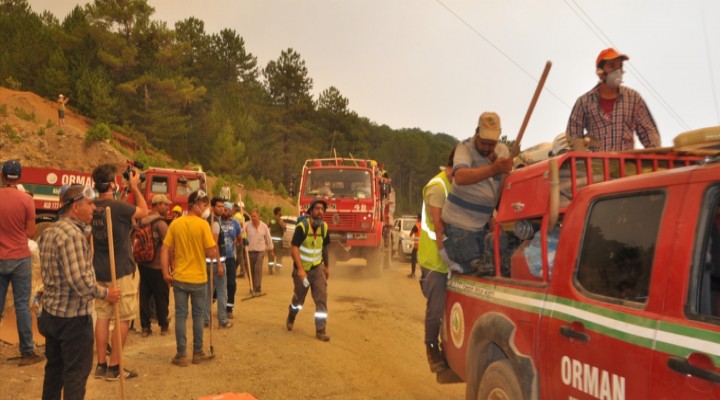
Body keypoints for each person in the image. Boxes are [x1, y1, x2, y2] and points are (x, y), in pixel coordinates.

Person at [38, 184, 121, 399]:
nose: (94, 208)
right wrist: (106, 294)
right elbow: (81, 283)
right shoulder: (72, 236)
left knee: (54, 372)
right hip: (72, 320)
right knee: (75, 375)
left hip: (52, 315)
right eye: (90, 203)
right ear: (76, 206)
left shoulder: (50, 232)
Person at [91, 163, 148, 381]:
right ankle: (115, 367)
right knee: (123, 318)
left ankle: (101, 365)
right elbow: (143, 211)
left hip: (100, 269)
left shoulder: (93, 206)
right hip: (121, 269)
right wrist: (135, 188)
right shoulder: (118, 207)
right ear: (113, 183)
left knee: (103, 317)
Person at [442, 112, 513, 275]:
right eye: (483, 143)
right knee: (471, 271)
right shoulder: (464, 148)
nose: (487, 148)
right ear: (476, 133)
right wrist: (493, 169)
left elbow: (503, 188)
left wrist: (494, 216)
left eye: (491, 144)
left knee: (494, 269)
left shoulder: (503, 152)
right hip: (460, 226)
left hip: (483, 225)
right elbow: (459, 177)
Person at [161, 190, 217, 367]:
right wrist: (213, 245)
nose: (205, 207)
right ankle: (197, 352)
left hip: (180, 278)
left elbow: (165, 249)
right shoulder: (203, 226)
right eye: (203, 204)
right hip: (199, 278)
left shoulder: (176, 224)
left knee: (181, 316)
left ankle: (181, 355)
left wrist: (165, 272)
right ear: (194, 204)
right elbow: (210, 252)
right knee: (198, 316)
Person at [566, 48, 661, 152]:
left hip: (626, 164)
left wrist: (655, 156)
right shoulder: (584, 102)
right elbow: (572, 138)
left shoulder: (633, 99)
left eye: (620, 66)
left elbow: (649, 132)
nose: (618, 71)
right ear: (600, 72)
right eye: (612, 66)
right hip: (596, 165)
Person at [0, 159, 43, 366]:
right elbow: (31, 232)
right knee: (22, 307)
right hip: (20, 258)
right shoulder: (26, 200)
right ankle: (27, 352)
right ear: (20, 177)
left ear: (2, 176)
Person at [418, 149, 456, 373]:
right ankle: (431, 348)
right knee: (436, 308)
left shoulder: (456, 186)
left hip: (451, 258)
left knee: (452, 310)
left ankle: (450, 350)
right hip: (434, 259)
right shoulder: (437, 187)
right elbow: (439, 225)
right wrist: (445, 255)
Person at [285, 199, 331, 342]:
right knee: (299, 300)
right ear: (311, 211)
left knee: (321, 298)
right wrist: (300, 269)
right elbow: (294, 248)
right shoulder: (302, 227)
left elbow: (324, 248)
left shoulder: (324, 227)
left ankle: (320, 330)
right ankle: (292, 314)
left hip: (317, 268)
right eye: (317, 209)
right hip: (302, 270)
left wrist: (327, 267)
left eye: (322, 209)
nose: (320, 212)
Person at [138, 194, 172, 338]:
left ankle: (145, 327)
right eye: (165, 204)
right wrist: (171, 266)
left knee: (144, 296)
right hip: (157, 265)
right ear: (158, 205)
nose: (168, 207)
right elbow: (168, 247)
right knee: (161, 296)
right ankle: (163, 326)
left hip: (142, 264)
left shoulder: (142, 221)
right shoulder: (161, 224)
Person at [203, 198, 231, 329]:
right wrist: (219, 264)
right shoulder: (214, 223)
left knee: (208, 292)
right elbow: (214, 245)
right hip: (215, 263)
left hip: (208, 263)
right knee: (221, 292)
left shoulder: (208, 221)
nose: (221, 209)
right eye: (218, 206)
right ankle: (222, 320)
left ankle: (205, 319)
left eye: (222, 206)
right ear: (212, 207)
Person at [245, 209, 274, 294]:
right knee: (250, 270)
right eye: (252, 216)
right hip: (249, 251)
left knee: (258, 269)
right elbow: (240, 233)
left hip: (260, 251)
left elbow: (268, 238)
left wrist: (271, 250)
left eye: (254, 216)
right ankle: (252, 286)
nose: (253, 218)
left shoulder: (264, 226)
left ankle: (257, 287)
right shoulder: (246, 225)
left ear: (258, 216)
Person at [221, 201, 242, 319]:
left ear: (230, 211)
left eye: (226, 209)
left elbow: (239, 238)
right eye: (222, 209)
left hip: (230, 259)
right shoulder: (216, 222)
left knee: (231, 284)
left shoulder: (235, 224)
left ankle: (229, 308)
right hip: (218, 258)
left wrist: (237, 242)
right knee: (215, 284)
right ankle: (211, 304)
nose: (223, 211)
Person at [268, 206, 287, 274]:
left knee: (271, 255)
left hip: (271, 241)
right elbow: (284, 228)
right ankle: (277, 268)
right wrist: (285, 226)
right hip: (278, 241)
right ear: (278, 212)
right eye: (280, 211)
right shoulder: (280, 220)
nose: (281, 213)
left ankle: (270, 268)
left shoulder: (271, 219)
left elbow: (268, 227)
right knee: (279, 255)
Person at [233, 201, 248, 278]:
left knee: (239, 256)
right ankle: (237, 270)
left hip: (239, 238)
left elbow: (240, 227)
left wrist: (236, 237)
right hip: (242, 237)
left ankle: (242, 271)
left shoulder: (237, 216)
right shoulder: (242, 216)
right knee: (240, 256)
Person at [408, 213, 421, 278]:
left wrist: (411, 236)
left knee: (413, 259)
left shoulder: (416, 225)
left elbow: (410, 234)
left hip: (416, 246)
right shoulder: (425, 225)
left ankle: (413, 273)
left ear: (418, 218)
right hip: (424, 246)